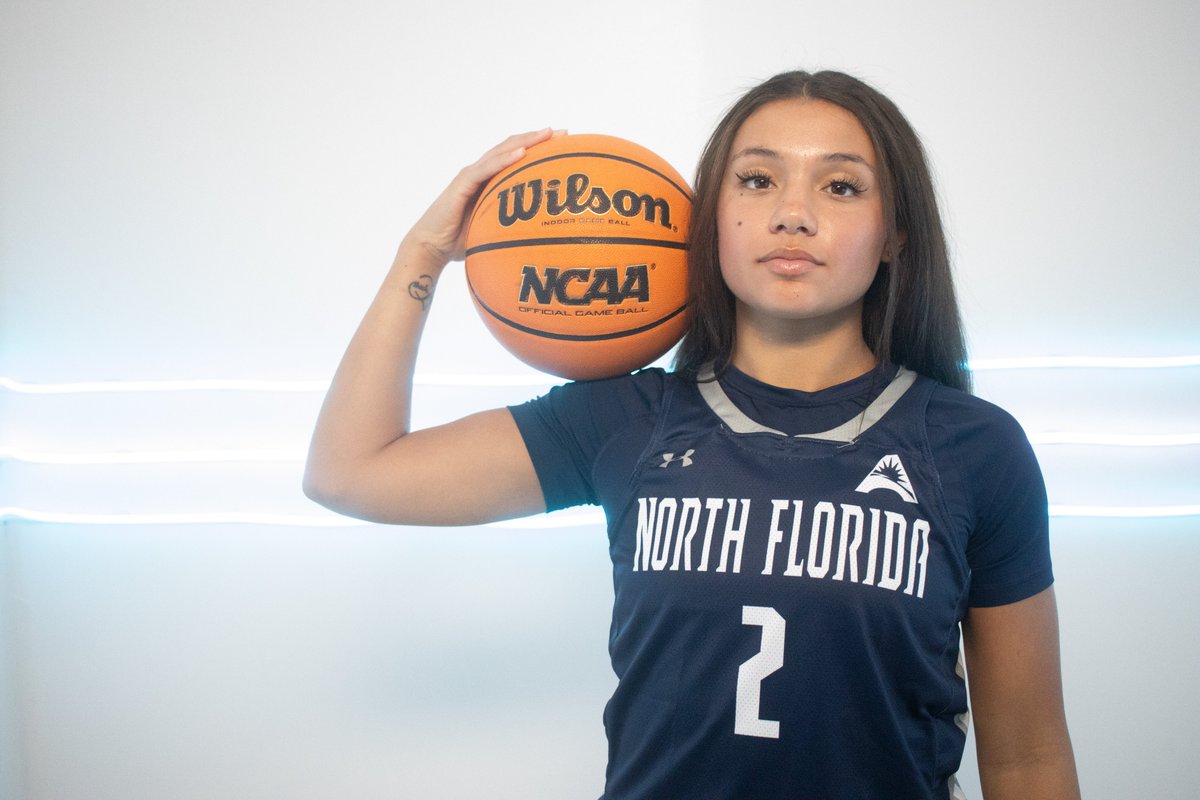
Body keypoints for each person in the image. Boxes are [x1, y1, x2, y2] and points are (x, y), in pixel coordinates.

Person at [304, 69, 1081, 800]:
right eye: (757, 179)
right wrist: (424, 255)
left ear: (896, 235)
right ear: (708, 216)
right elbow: (351, 471)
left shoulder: (977, 450)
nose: (791, 212)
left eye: (840, 186)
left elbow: (1028, 756)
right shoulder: (623, 419)